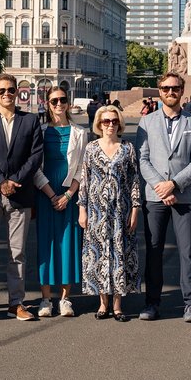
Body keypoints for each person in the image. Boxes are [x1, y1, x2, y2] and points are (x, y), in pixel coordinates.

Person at [0, 73, 44, 321]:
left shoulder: (30, 121)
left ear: (17, 92)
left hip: (20, 193)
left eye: (10, 90)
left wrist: (15, 181)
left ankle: (16, 302)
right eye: (1, 91)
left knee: (18, 252)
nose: (6, 95)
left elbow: (35, 156)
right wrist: (0, 182)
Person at [136, 71, 191, 322]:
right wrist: (161, 187)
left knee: (187, 252)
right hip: (155, 197)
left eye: (175, 88)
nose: (170, 92)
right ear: (159, 91)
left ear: (181, 90)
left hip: (185, 195)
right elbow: (143, 159)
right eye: (165, 88)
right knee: (153, 251)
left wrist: (174, 184)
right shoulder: (147, 122)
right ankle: (152, 303)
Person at [78, 104, 141, 321]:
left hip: (121, 210)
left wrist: (135, 209)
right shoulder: (91, 148)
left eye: (114, 121)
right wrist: (82, 209)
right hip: (96, 211)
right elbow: (85, 181)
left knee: (119, 254)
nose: (110, 125)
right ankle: (102, 303)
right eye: (106, 121)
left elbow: (134, 181)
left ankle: (117, 305)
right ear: (99, 124)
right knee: (99, 255)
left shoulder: (128, 148)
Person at [33, 87, 85, 318]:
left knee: (68, 244)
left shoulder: (80, 133)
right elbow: (34, 166)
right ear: (48, 104)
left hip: (69, 195)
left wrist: (68, 195)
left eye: (63, 100)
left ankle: (65, 299)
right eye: (54, 100)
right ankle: (46, 299)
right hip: (45, 194)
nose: (59, 104)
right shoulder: (40, 131)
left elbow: (83, 168)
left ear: (68, 102)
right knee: (46, 245)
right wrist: (52, 195)